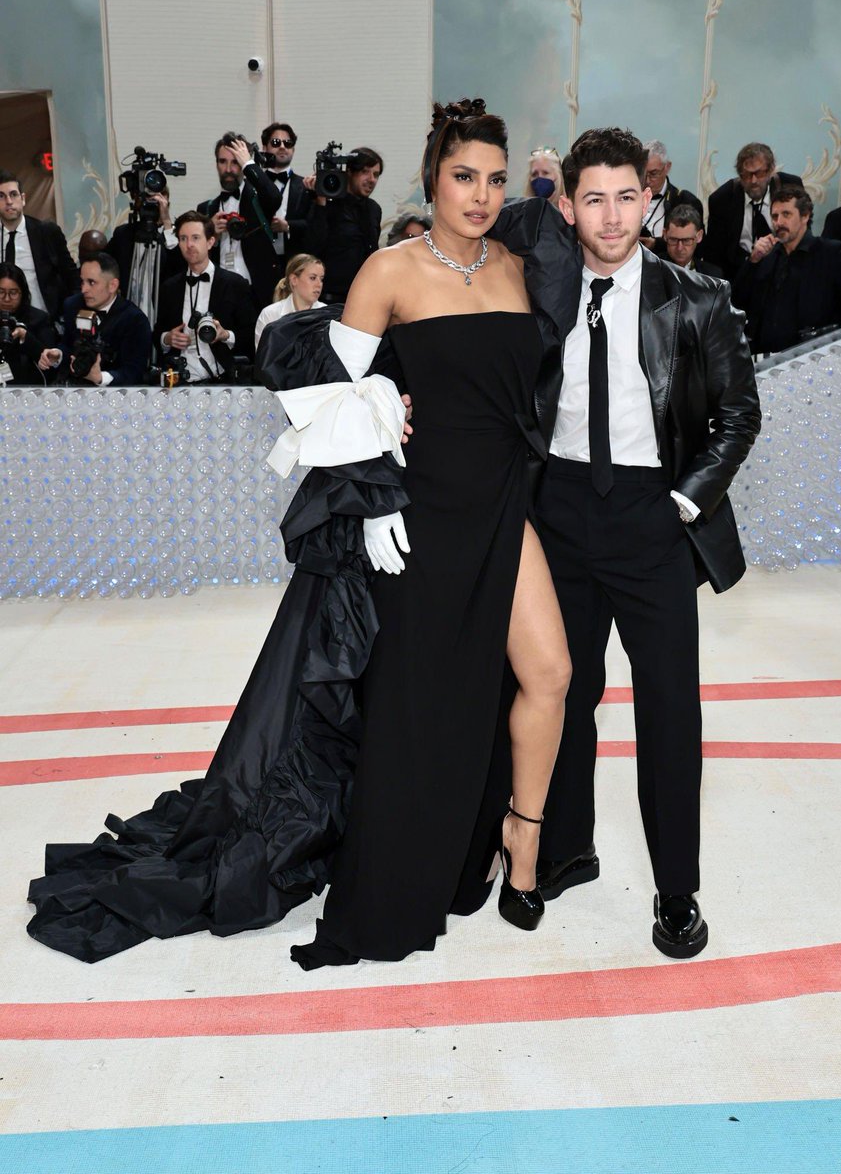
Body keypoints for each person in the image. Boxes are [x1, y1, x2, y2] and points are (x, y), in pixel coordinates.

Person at [26, 99, 572, 968]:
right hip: (418, 516)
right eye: (464, 176)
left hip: (505, 505)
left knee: (549, 671)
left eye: (496, 180)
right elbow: (323, 399)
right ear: (431, 176)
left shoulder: (518, 262)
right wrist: (384, 449)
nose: (480, 195)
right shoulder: (390, 270)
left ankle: (521, 837)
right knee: (416, 702)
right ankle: (401, 877)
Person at [508, 127, 760, 958]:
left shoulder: (697, 297)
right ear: (568, 205)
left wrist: (684, 505)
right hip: (562, 518)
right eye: (594, 198)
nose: (612, 217)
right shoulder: (540, 292)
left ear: (648, 200)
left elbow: (736, 415)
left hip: (655, 519)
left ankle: (676, 890)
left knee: (667, 713)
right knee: (561, 696)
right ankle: (566, 848)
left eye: (627, 197)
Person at [732, 186, 841, 355]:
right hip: (765, 354)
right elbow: (738, 301)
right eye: (775, 216)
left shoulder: (830, 252)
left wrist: (836, 346)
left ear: (805, 216)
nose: (779, 222)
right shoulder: (767, 256)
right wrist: (753, 260)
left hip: (813, 353)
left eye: (786, 214)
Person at [155, 211, 256, 382]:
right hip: (177, 380)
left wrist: (226, 336)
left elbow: (250, 333)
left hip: (224, 378)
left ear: (210, 242)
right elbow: (158, 331)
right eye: (183, 239)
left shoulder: (235, 284)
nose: (189, 245)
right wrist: (167, 338)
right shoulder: (169, 287)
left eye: (195, 238)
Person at [198, 132, 283, 310]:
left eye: (235, 162)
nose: (228, 169)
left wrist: (248, 164)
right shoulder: (206, 209)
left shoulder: (257, 200)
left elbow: (275, 197)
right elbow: (195, 254)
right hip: (219, 293)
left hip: (256, 293)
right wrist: (208, 232)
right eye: (222, 161)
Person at [702, 142, 803, 278]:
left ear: (771, 170)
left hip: (784, 271)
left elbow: (803, 232)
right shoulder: (722, 199)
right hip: (741, 274)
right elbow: (714, 256)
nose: (753, 181)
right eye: (747, 175)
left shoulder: (790, 186)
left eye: (759, 173)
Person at [53, 252, 152, 386]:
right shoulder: (72, 305)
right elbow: (68, 345)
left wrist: (100, 378)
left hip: (115, 396)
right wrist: (57, 355)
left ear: (112, 285)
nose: (84, 289)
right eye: (82, 282)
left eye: (91, 282)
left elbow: (133, 372)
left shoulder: (134, 320)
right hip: (73, 388)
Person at [303, 146, 384, 303]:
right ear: (350, 173)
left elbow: (372, 251)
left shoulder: (374, 209)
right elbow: (312, 247)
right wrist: (320, 202)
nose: (371, 179)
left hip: (362, 296)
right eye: (365, 172)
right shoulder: (328, 203)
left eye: (376, 174)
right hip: (327, 298)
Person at [0, 168, 78, 324]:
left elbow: (71, 277)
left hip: (43, 322)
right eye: (1, 196)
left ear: (23, 199)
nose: (9, 201)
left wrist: (70, 319)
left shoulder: (47, 232)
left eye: (13, 194)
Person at [260, 121, 312, 265]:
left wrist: (287, 226)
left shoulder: (306, 186)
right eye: (276, 142)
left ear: (293, 149)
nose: (282, 147)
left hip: (294, 262)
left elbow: (312, 225)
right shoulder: (253, 185)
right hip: (260, 260)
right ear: (265, 148)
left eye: (288, 143)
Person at [0, 261, 57, 385]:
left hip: (28, 390)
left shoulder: (39, 319)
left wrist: (26, 338)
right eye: (1, 292)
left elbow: (51, 365)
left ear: (23, 293)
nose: (7, 298)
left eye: (13, 293)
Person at [639, 140, 703, 248]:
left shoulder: (686, 201)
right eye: (643, 174)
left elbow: (695, 246)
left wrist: (657, 244)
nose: (648, 180)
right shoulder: (629, 197)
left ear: (667, 167)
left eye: (653, 174)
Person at [254, 253, 324, 348]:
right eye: (313, 278)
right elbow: (264, 359)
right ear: (294, 279)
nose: (319, 284)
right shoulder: (270, 314)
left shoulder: (326, 314)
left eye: (321, 279)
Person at [661, 205, 723, 276]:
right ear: (665, 235)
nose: (679, 248)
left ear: (699, 236)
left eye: (686, 240)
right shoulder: (650, 269)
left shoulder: (713, 276)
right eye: (674, 240)